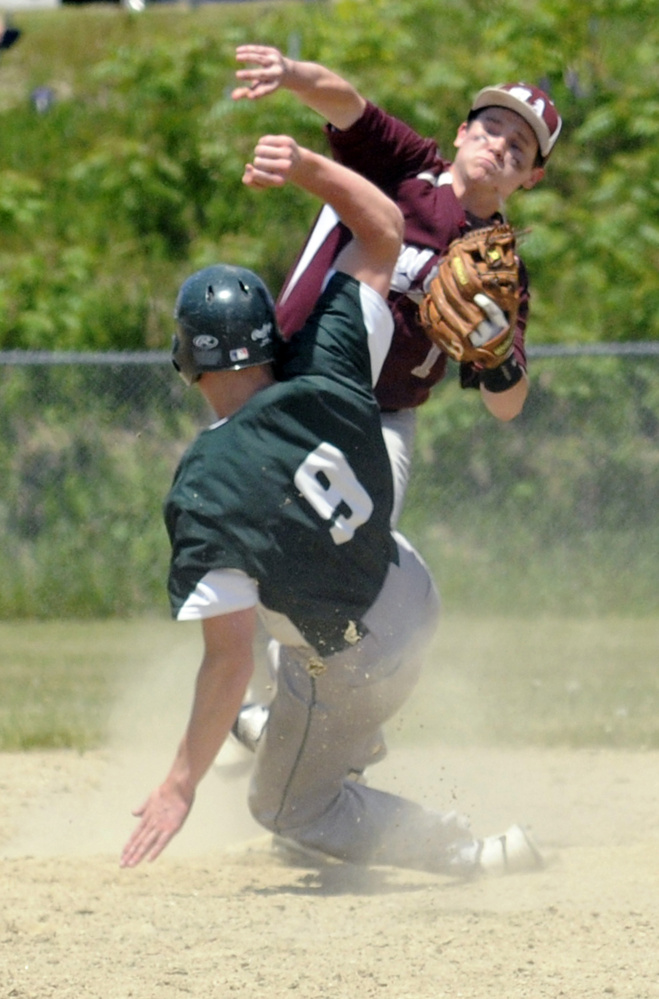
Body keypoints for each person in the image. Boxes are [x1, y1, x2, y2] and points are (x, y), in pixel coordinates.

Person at [120, 131, 541, 876]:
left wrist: (179, 783)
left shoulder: (206, 485)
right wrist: (312, 168)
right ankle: (298, 727)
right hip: (411, 593)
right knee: (306, 649)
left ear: (185, 359)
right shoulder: (333, 362)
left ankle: (468, 853)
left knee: (285, 808)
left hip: (359, 653)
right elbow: (382, 229)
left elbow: (227, 658)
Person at [233, 45, 562, 525]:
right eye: (491, 128)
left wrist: (496, 358)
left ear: (533, 176)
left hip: (381, 417)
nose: (498, 146)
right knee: (248, 526)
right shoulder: (406, 169)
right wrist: (290, 73)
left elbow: (508, 406)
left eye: (519, 146)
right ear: (462, 132)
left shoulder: (503, 272)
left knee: (356, 558)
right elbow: (348, 105)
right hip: (290, 377)